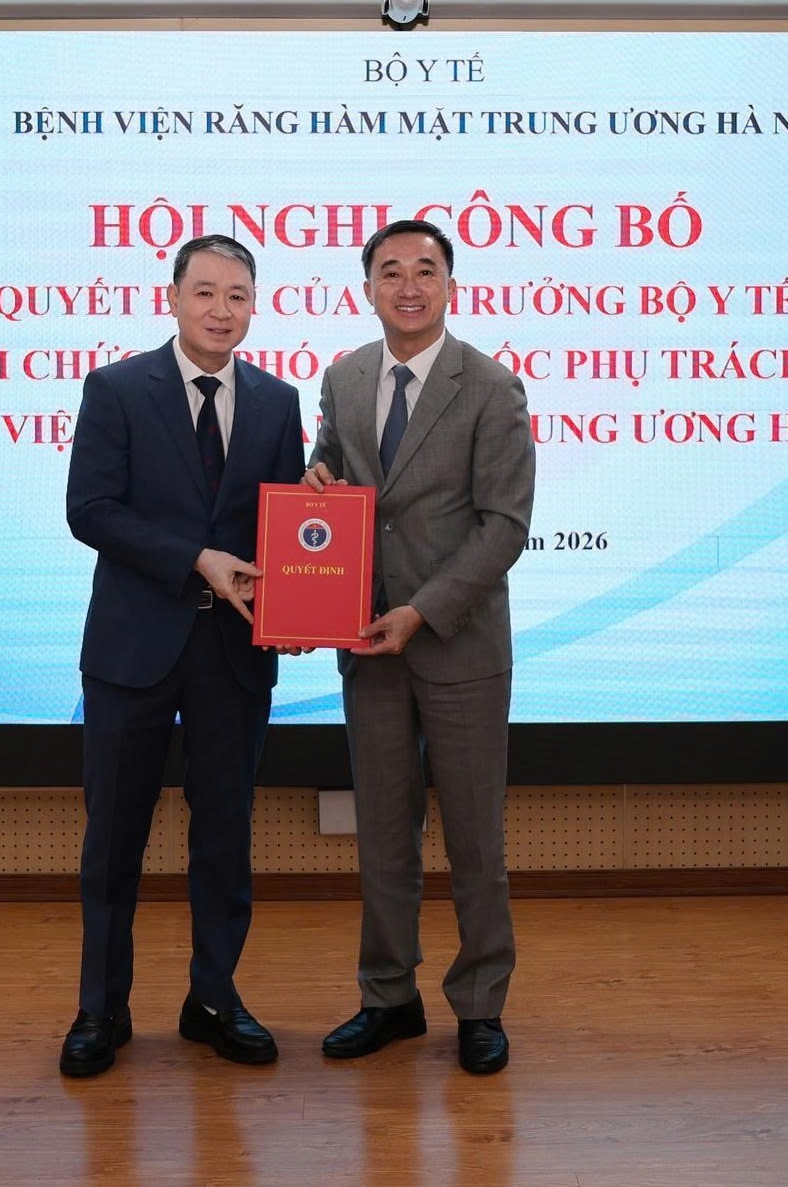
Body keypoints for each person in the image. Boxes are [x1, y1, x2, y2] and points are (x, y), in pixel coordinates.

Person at [61, 234, 305, 1077]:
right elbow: (90, 510)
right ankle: (101, 1007)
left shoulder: (277, 402)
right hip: (132, 646)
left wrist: (302, 593)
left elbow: (283, 528)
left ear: (254, 306)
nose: (220, 310)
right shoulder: (117, 388)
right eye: (204, 292)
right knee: (113, 838)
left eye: (237, 295)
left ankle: (213, 998)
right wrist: (193, 558)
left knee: (224, 837)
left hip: (232, 654)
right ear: (172, 298)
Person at [304, 219, 534, 1075]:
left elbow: (503, 525)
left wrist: (422, 611)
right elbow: (330, 476)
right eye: (390, 271)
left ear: (449, 285)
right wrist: (315, 479)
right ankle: (387, 996)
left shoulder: (491, 386)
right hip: (365, 642)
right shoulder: (344, 377)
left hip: (458, 644)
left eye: (425, 270)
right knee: (382, 838)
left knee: (474, 841)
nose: (408, 285)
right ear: (367, 287)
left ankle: (479, 1004)